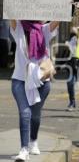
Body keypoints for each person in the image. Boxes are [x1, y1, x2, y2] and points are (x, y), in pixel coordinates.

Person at [9, 19, 59, 161]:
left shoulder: (43, 30)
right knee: (25, 113)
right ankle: (24, 149)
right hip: (20, 80)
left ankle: (33, 140)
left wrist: (66, 3)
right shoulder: (18, 27)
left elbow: (58, 18)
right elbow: (11, 14)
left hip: (41, 81)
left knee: (35, 114)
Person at [65, 25, 79, 111]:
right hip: (73, 62)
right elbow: (72, 50)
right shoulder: (73, 38)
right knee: (70, 83)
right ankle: (72, 102)